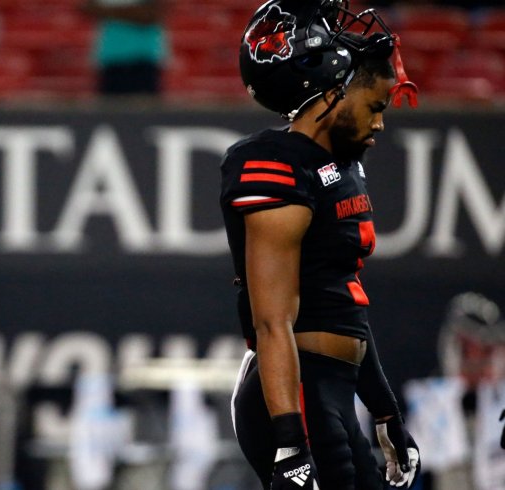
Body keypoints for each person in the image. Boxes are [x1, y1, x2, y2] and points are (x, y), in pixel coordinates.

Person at [220, 1, 422, 489]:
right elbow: (272, 321)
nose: (379, 124)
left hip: (330, 390)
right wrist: (291, 446)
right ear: (331, 93)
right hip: (296, 396)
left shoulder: (341, 167)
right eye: (374, 106)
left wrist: (383, 410)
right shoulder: (275, 164)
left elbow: (342, 301)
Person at [80, 0, 168, 96]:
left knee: (145, 106)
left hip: (143, 58)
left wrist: (107, 11)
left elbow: (151, 14)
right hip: (111, 58)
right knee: (111, 107)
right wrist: (131, 12)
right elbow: (86, 7)